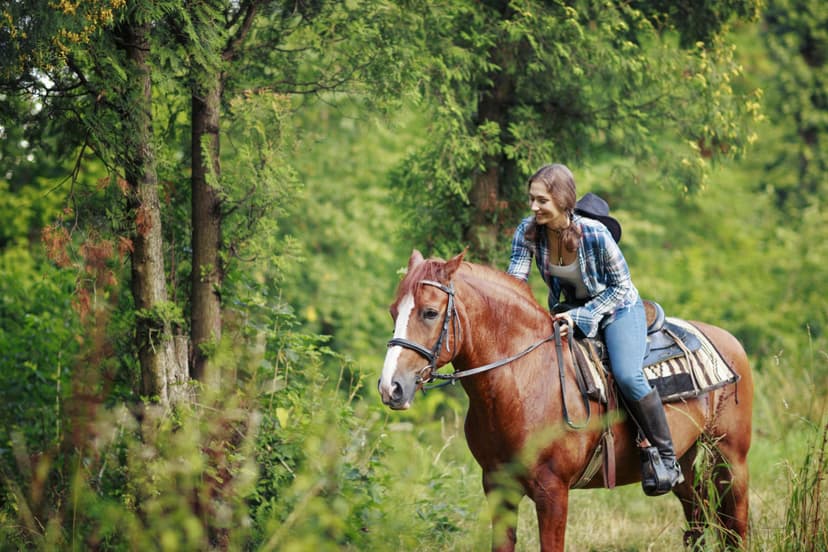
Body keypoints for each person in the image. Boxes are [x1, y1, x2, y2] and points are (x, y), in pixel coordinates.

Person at [506, 163, 683, 495]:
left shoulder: (595, 233)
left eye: (541, 200)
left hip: (618, 308)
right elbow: (515, 283)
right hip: (569, 310)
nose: (533, 207)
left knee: (628, 375)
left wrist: (582, 317)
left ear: (563, 200)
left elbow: (621, 287)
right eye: (531, 199)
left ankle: (666, 456)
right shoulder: (527, 231)